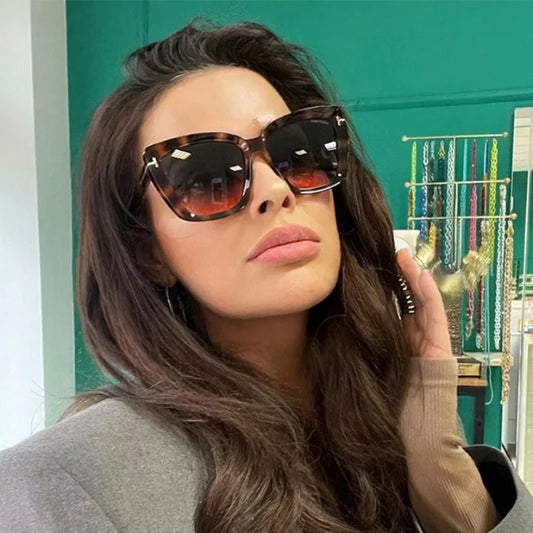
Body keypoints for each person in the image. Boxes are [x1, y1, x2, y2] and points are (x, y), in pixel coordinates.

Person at [1, 18, 531, 533]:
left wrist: (438, 462)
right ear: (148, 252)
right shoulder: (65, 486)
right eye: (207, 177)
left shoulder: (385, 423)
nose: (276, 189)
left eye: (297, 152)